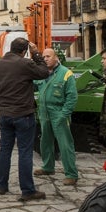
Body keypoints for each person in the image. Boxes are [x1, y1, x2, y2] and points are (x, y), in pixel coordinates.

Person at [0, 37, 49, 201]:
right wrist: (36, 54)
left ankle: (2, 185)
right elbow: (44, 72)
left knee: (4, 149)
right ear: (24, 51)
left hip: (5, 115)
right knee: (25, 152)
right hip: (23, 115)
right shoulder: (25, 64)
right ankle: (27, 190)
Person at [34, 48, 79, 186]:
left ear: (56, 57)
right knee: (45, 142)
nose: (46, 59)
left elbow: (72, 97)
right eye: (44, 56)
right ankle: (48, 167)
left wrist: (64, 114)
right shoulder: (41, 74)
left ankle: (71, 174)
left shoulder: (66, 74)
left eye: (48, 56)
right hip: (44, 113)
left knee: (65, 144)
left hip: (58, 113)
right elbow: (34, 86)